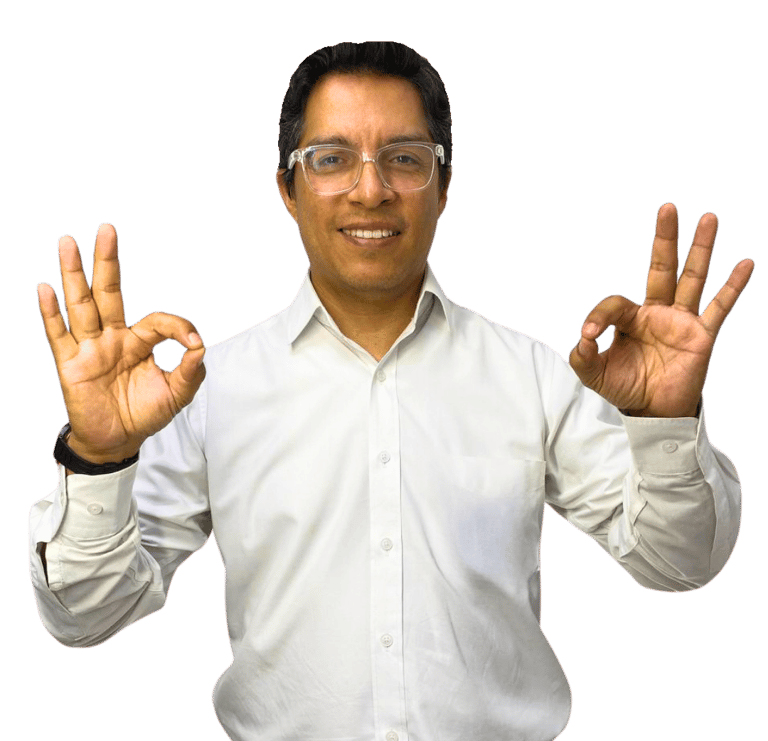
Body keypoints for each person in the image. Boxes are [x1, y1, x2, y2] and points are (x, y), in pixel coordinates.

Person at [28, 41, 754, 741]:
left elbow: (680, 563)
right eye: (331, 159)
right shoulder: (213, 388)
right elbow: (86, 617)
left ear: (444, 187)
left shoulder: (531, 376)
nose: (370, 189)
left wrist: (665, 425)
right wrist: (99, 458)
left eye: (405, 158)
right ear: (288, 190)